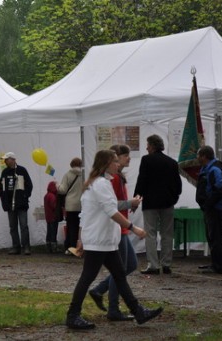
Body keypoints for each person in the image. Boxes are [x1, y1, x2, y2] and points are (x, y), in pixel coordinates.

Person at [66, 150, 162, 330]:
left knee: (119, 276)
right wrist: (134, 228)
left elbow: (86, 214)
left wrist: (80, 238)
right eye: (115, 161)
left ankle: (137, 310)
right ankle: (72, 315)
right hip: (99, 241)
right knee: (88, 277)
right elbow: (111, 212)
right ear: (106, 163)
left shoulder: (99, 183)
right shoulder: (101, 184)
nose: (118, 164)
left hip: (105, 241)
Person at [88, 144, 143, 321]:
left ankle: (100, 291)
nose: (127, 160)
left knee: (128, 266)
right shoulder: (111, 180)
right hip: (118, 227)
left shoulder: (116, 178)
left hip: (120, 227)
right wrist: (130, 204)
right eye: (125, 156)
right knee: (121, 269)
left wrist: (129, 205)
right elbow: (112, 206)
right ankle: (113, 307)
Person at [134, 134, 182, 275]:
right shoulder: (172, 162)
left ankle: (153, 265)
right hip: (167, 203)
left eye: (148, 144)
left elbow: (141, 180)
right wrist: (173, 198)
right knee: (167, 233)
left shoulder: (146, 160)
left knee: (150, 234)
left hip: (150, 203)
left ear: (153, 146)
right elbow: (177, 185)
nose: (146, 147)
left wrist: (136, 199)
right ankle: (166, 264)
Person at [196, 145, 222, 274]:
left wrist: (208, 204)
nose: (197, 158)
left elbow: (221, 189)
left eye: (198, 155)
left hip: (215, 208)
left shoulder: (214, 169)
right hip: (212, 207)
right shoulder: (208, 168)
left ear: (204, 156)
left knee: (214, 236)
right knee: (214, 235)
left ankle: (218, 266)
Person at [0, 152, 34, 255]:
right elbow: (2, 188)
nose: (5, 161)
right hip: (10, 204)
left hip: (21, 204)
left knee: (24, 226)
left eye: (7, 159)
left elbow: (29, 185)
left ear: (13, 160)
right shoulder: (4, 172)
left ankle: (26, 247)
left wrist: (24, 196)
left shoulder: (21, 170)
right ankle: (16, 247)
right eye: (5, 160)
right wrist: (4, 202)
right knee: (13, 226)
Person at [58, 157, 84, 255]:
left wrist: (57, 185)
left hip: (71, 205)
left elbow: (63, 190)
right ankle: (80, 248)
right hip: (82, 204)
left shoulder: (67, 175)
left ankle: (70, 248)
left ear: (71, 164)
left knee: (71, 227)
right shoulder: (84, 175)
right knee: (80, 227)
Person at [43, 181, 59, 253]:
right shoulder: (52, 196)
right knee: (53, 232)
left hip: (48, 217)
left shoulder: (46, 195)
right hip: (53, 217)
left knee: (49, 232)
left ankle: (48, 247)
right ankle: (54, 248)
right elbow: (54, 206)